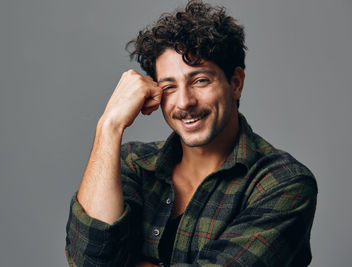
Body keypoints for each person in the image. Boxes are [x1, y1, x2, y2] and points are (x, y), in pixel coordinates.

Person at [65, 1, 317, 266]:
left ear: (236, 83)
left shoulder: (283, 183)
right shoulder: (132, 164)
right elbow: (86, 259)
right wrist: (109, 126)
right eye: (169, 87)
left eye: (200, 81)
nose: (184, 102)